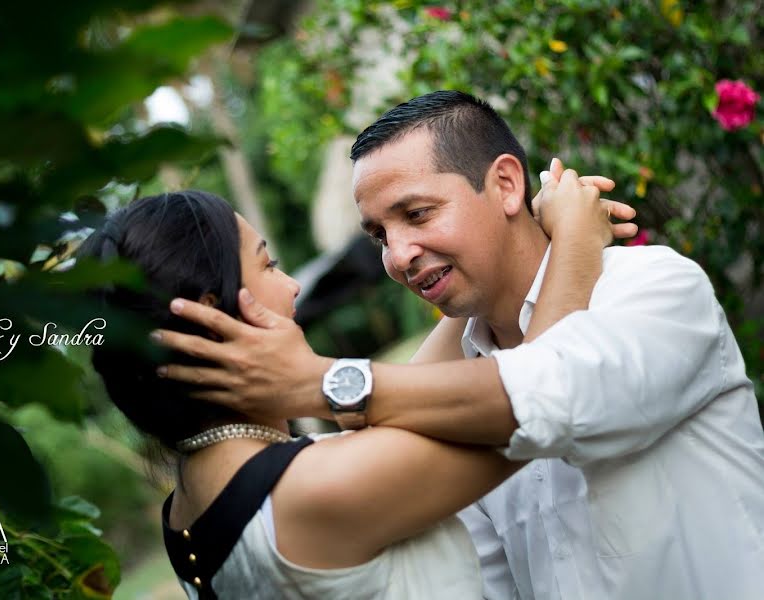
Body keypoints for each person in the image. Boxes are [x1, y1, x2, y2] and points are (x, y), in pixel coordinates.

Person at [153, 91, 764, 600]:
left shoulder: (653, 289)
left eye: (416, 214)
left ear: (504, 185)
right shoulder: (447, 388)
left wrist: (322, 380)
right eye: (378, 235)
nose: (396, 257)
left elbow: (554, 391)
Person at [80, 182, 625, 599]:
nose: (292, 285)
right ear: (215, 314)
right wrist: (577, 237)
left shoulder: (194, 502)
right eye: (267, 263)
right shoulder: (310, 494)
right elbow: (533, 398)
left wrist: (499, 238)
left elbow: (424, 386)